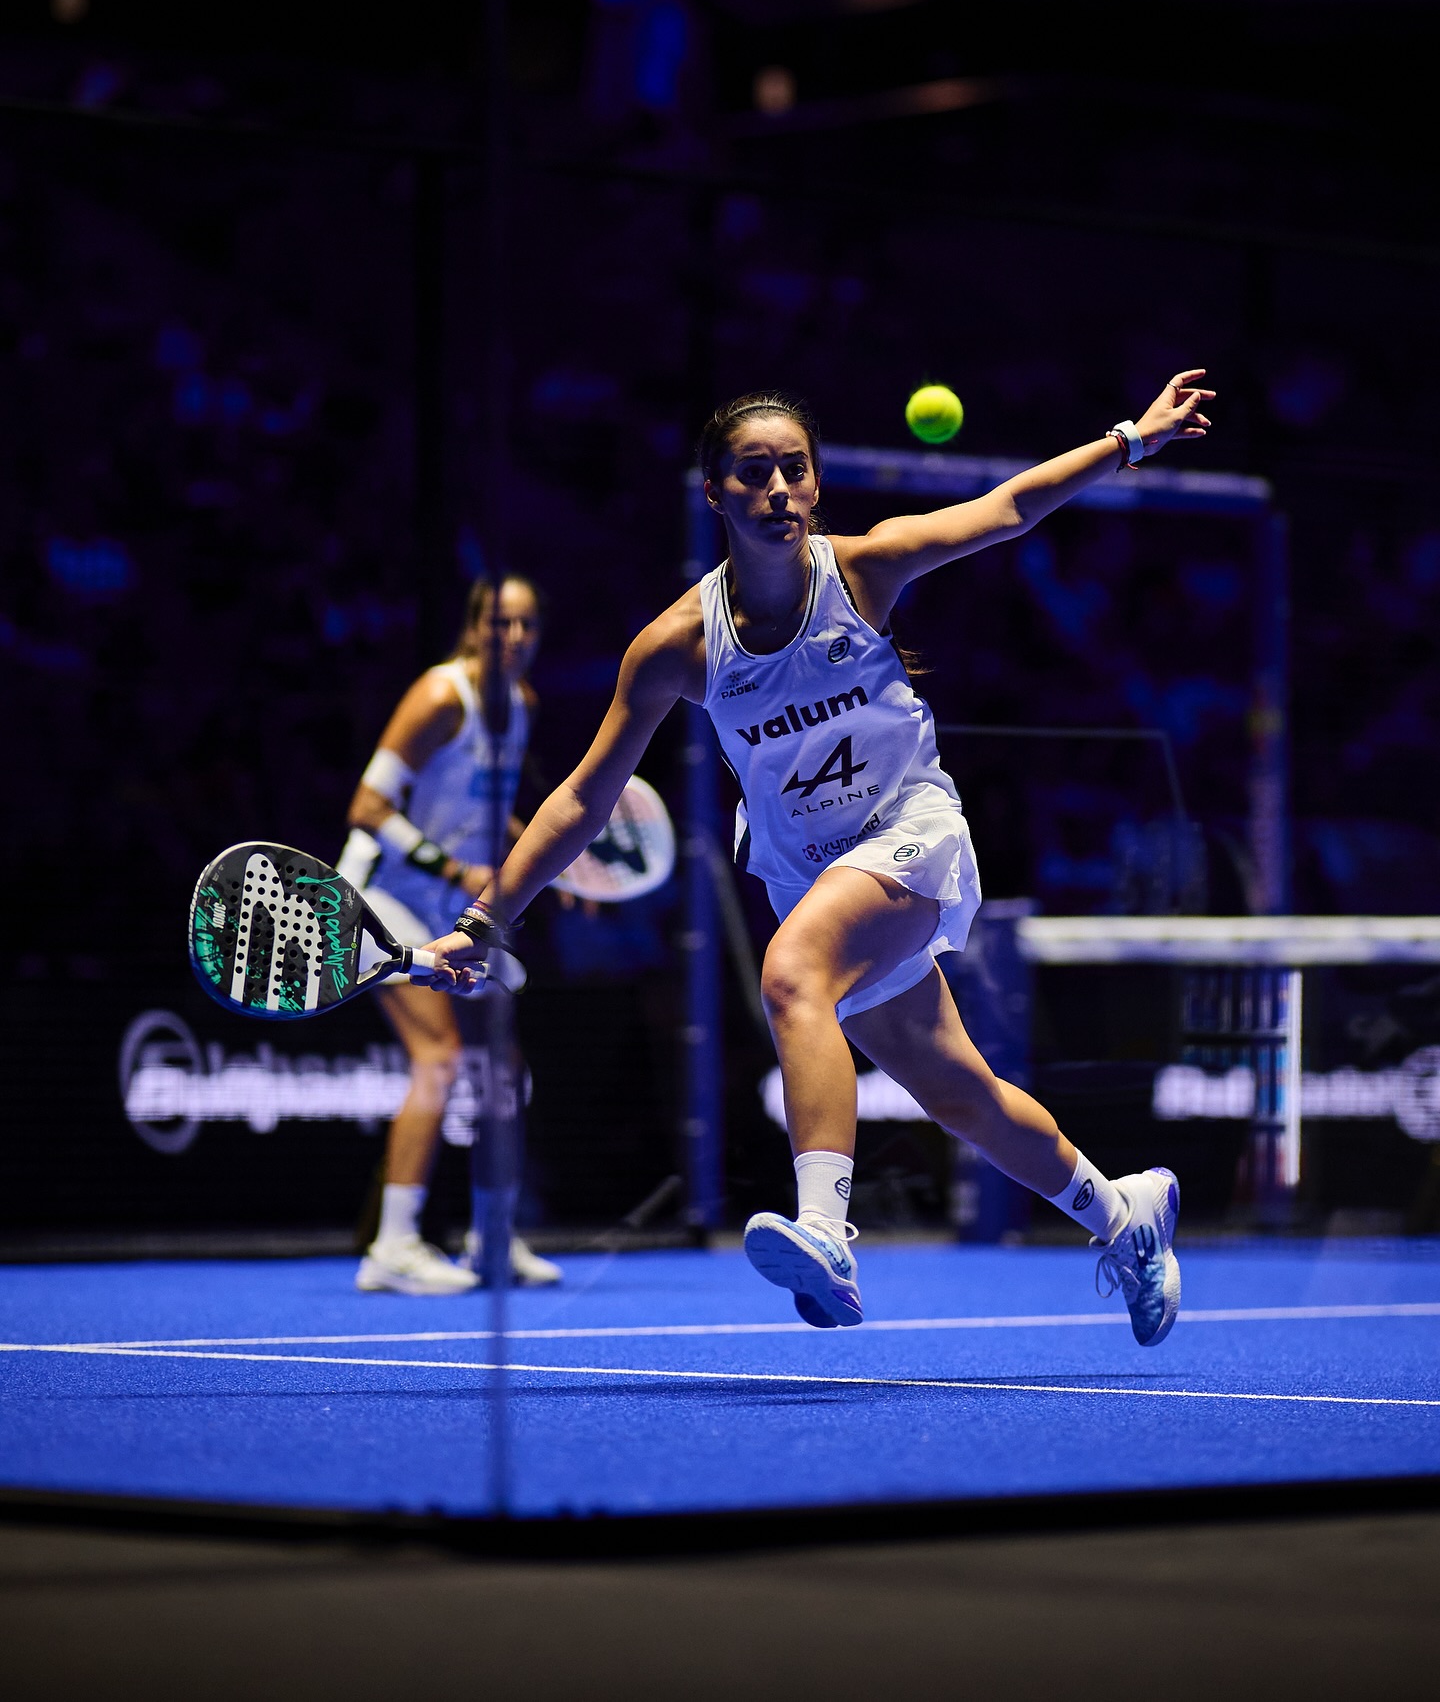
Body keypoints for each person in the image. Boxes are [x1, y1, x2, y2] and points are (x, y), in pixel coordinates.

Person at [417, 375, 1215, 1341]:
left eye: (793, 470)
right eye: (753, 474)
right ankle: (1126, 1216)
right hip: (809, 875)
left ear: (817, 484)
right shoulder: (676, 647)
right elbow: (585, 797)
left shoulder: (866, 572)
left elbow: (1008, 508)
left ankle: (828, 1238)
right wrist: (484, 919)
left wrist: (1129, 439)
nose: (778, 491)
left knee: (791, 974)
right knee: (959, 1094)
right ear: (715, 494)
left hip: (910, 832)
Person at [337, 572, 562, 1296]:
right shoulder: (439, 698)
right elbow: (368, 808)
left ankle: (492, 1243)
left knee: (503, 1067)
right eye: (500, 623)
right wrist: (457, 870)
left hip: (448, 908)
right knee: (437, 1058)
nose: (514, 638)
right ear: (472, 629)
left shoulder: (522, 704)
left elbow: (484, 812)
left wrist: (546, 858)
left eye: (526, 625)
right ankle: (393, 1247)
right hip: (378, 900)